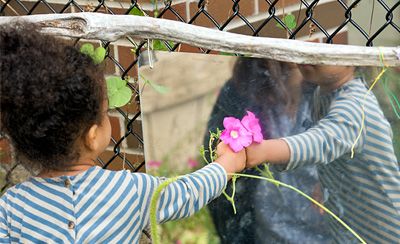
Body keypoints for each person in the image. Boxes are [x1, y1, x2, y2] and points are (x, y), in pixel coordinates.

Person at [0, 23, 246, 243]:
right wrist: (226, 165)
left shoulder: (11, 207)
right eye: (105, 112)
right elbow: (188, 191)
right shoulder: (130, 190)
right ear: (93, 135)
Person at [246, 64, 400, 243]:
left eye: (326, 42)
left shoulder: (355, 107)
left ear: (351, 58)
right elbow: (340, 148)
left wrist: (263, 150)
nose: (310, 52)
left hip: (386, 231)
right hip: (355, 224)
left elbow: (321, 141)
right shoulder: (324, 93)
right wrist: (326, 179)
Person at [204, 58, 332, 243]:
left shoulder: (331, 90)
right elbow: (220, 178)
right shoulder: (244, 91)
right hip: (268, 233)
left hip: (328, 231)